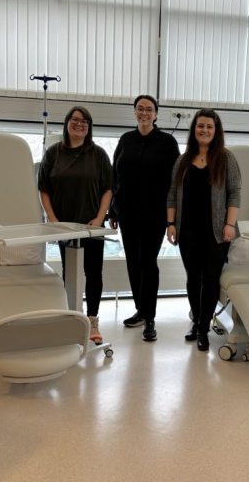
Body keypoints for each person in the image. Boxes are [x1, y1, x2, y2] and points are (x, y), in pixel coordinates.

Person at [167, 109, 241, 351]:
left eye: (209, 126)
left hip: (217, 231)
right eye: (201, 126)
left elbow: (234, 194)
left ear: (216, 131)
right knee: (193, 278)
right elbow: (172, 195)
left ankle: (203, 329)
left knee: (210, 279)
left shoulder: (226, 158)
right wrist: (170, 224)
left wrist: (230, 224)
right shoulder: (183, 160)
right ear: (194, 129)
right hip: (187, 230)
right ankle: (197, 320)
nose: (205, 130)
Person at [38, 106, 113, 345]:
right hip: (64, 226)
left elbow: (108, 189)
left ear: (89, 127)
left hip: (92, 225)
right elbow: (44, 189)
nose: (80, 124)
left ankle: (92, 320)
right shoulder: (53, 153)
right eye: (75, 120)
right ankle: (71, 317)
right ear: (67, 123)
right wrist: (52, 218)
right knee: (69, 273)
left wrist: (100, 218)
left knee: (93, 272)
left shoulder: (98, 154)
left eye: (85, 122)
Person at [109, 95, 180, 341]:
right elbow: (115, 175)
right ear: (135, 112)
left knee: (148, 262)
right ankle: (141, 309)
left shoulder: (167, 142)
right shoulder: (126, 139)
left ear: (156, 114)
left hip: (155, 214)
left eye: (149, 109)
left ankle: (150, 317)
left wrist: (172, 218)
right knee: (133, 261)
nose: (144, 113)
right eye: (140, 109)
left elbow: (175, 182)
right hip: (127, 212)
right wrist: (113, 210)